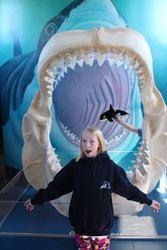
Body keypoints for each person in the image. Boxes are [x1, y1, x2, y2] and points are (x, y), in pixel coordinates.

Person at [24, 126, 160, 249]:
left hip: (102, 231)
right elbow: (56, 188)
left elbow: (128, 189)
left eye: (91, 141)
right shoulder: (74, 166)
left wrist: (148, 201)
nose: (86, 145)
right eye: (83, 141)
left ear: (99, 144)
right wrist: (36, 200)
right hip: (81, 229)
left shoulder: (110, 168)